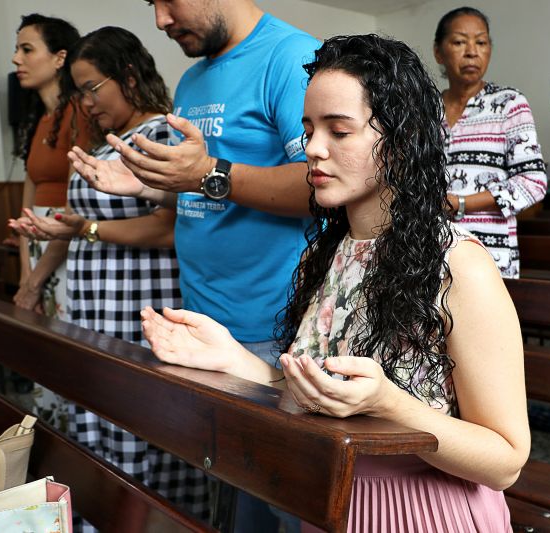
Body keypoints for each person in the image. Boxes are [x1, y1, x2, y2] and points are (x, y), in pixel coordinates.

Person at [140, 34, 530, 533]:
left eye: (338, 131)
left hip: (422, 512)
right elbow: (314, 395)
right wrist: (231, 359)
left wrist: (389, 403)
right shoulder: (327, 255)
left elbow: (505, 460)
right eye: (309, 129)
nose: (312, 149)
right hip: (332, 502)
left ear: (401, 139)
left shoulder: (459, 266)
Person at [66, 2, 319, 531]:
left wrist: (208, 173)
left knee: (285, 504)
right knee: (232, 503)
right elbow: (201, 196)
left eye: (168, 0)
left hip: (272, 327)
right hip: (204, 325)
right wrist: (146, 187)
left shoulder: (290, 56)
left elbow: (323, 187)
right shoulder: (193, 78)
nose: (160, 19)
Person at [10, 26, 209, 531]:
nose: (86, 102)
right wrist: (57, 232)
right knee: (96, 431)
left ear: (128, 75)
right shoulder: (100, 145)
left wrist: (90, 228)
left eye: (92, 87)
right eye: (79, 92)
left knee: (143, 436)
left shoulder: (166, 137)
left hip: (141, 307)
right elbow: (82, 224)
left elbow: (170, 229)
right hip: (95, 308)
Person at [10, 13, 88, 426]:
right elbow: (26, 197)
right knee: (41, 347)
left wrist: (37, 277)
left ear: (60, 58)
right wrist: (26, 274)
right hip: (36, 243)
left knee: (66, 352)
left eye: (27, 49)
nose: (16, 58)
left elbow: (77, 208)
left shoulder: (80, 112)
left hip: (66, 246)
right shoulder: (38, 118)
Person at [433, 6, 546, 279]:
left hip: (488, 253)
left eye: (481, 42)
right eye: (459, 42)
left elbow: (534, 181)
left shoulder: (509, 103)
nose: (472, 51)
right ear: (439, 51)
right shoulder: (425, 108)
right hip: (430, 249)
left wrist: (461, 203)